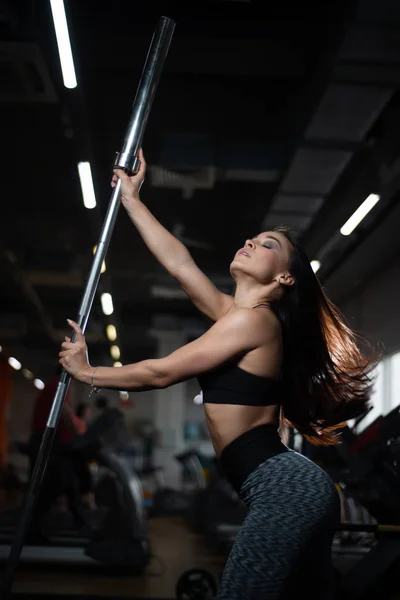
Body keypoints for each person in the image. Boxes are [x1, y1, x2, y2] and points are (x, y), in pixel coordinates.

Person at [59, 149, 377, 599]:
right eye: (253, 237)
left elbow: (159, 373)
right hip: (293, 487)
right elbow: (180, 264)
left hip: (286, 489)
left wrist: (87, 372)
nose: (250, 241)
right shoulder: (239, 317)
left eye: (268, 245)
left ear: (285, 278)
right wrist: (131, 198)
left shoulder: (255, 322)